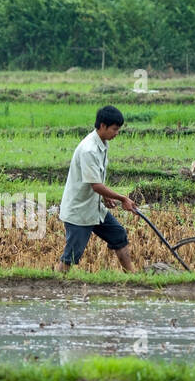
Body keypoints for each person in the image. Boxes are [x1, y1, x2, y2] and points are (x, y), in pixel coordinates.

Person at [55, 104, 136, 275]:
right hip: (80, 211)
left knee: (118, 235)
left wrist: (105, 197)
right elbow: (96, 185)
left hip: (94, 208)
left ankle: (133, 276)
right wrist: (123, 199)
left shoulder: (102, 143)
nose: (116, 133)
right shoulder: (89, 149)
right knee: (71, 256)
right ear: (102, 126)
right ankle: (57, 285)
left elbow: (96, 180)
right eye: (114, 129)